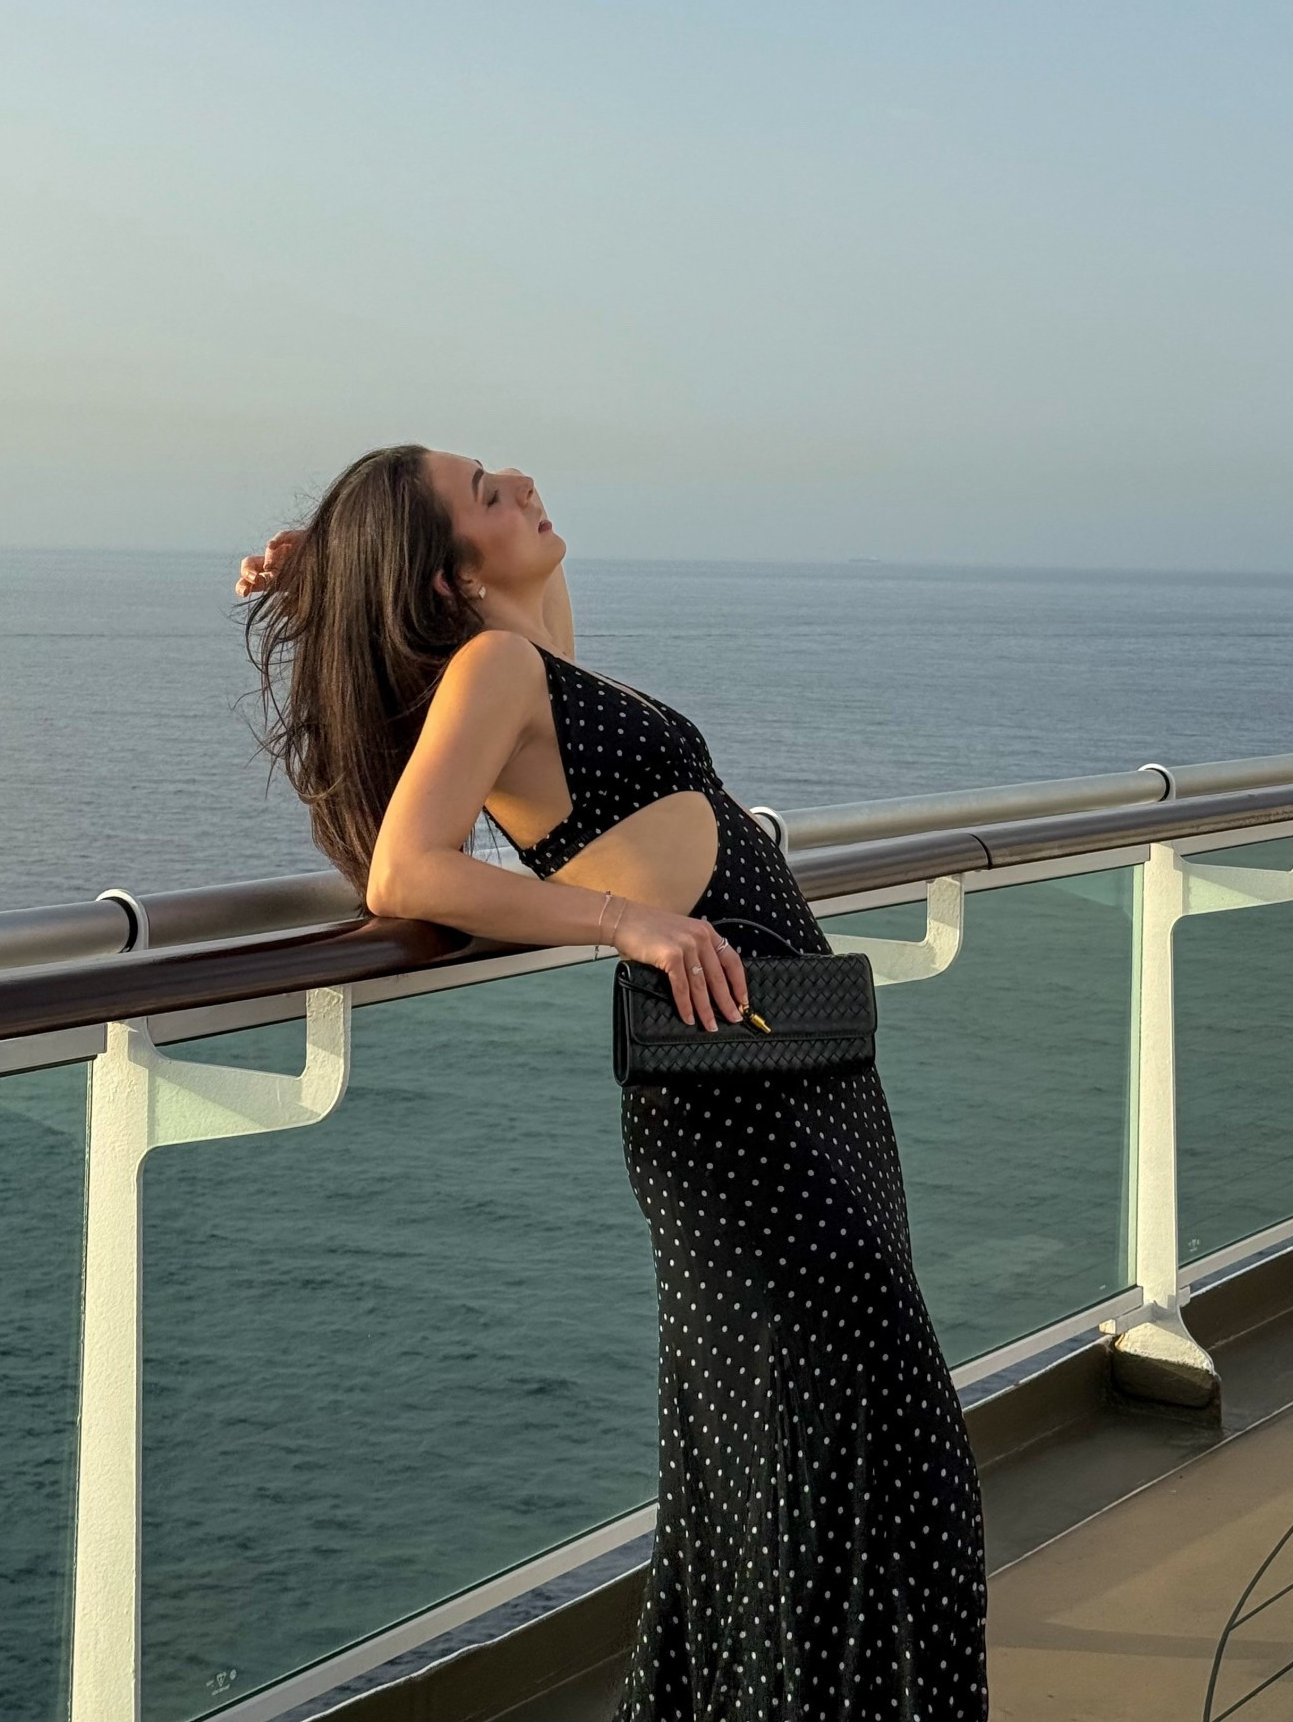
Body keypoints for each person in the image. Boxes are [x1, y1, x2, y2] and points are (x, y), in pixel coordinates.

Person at [238, 443, 990, 1719]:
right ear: (447, 570)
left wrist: (335, 574)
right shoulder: (494, 668)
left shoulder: (533, 652)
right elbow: (406, 873)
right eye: (488, 491)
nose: (520, 478)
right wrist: (618, 924)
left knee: (831, 1469)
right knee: (838, 1471)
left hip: (800, 1074)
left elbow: (495, 617)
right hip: (735, 1116)